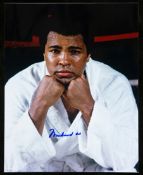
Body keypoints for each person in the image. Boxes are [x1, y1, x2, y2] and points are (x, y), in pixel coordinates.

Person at [4, 6, 138, 172]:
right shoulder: (18, 86)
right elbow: (9, 164)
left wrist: (89, 106)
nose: (64, 60)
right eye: (55, 50)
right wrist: (38, 106)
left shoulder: (114, 83)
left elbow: (126, 158)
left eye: (74, 51)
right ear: (44, 53)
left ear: (88, 55)